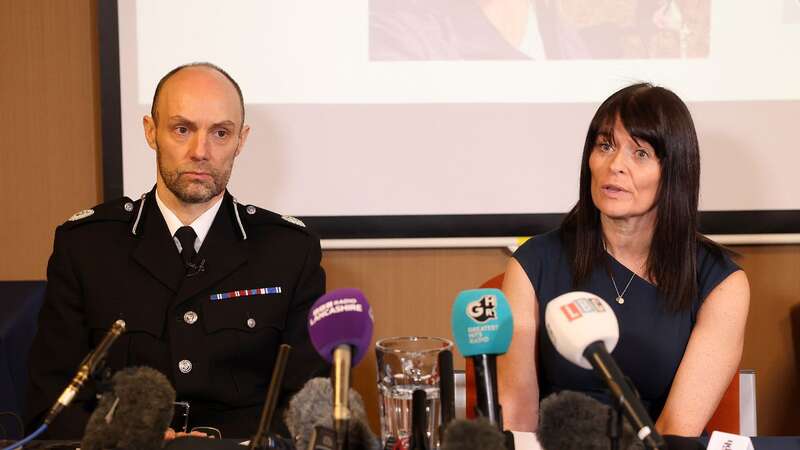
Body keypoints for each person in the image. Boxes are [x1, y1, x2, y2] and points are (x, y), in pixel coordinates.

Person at [25, 63, 329, 439]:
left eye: (220, 133)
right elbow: (50, 404)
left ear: (241, 140)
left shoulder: (288, 251)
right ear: (151, 132)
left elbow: (309, 407)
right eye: (182, 129)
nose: (200, 151)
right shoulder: (87, 247)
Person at [497, 83, 749, 436]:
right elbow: (518, 422)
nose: (615, 165)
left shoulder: (720, 283)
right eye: (606, 146)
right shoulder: (532, 264)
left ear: (674, 171)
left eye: (640, 153)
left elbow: (677, 429)